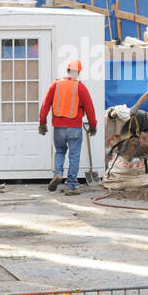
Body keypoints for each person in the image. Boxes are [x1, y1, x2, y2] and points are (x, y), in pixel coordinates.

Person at [39, 59, 98, 196]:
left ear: (67, 71)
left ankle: (58, 174)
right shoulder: (80, 87)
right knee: (74, 156)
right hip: (74, 128)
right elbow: (90, 108)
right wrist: (93, 125)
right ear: (77, 72)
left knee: (60, 152)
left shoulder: (55, 85)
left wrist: (42, 123)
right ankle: (71, 185)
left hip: (58, 128)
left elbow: (45, 105)